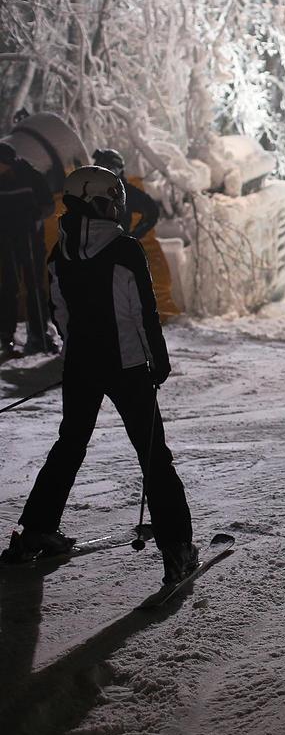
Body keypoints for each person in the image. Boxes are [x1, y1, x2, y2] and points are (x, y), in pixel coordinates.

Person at [0, 166, 198, 583]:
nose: (116, 209)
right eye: (110, 201)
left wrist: (80, 353)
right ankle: (177, 547)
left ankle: (33, 532)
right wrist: (156, 361)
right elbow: (142, 313)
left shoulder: (60, 253)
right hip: (126, 366)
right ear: (93, 200)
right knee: (153, 457)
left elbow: (61, 314)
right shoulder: (125, 250)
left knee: (69, 445)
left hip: (82, 367)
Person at [90, 148, 179, 321]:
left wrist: (135, 234)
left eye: (104, 167)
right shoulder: (90, 192)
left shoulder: (126, 192)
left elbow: (152, 211)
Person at [0, 143, 56, 355]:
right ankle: (6, 338)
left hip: (30, 240)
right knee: (9, 287)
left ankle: (39, 335)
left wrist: (36, 219)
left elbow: (48, 205)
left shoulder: (31, 176)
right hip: (6, 241)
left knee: (34, 286)